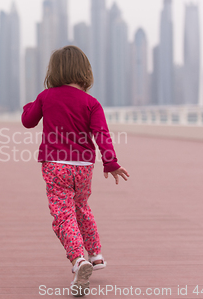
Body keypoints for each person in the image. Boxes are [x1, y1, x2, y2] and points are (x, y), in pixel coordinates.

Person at [21, 45, 130, 297]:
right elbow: (101, 134)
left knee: (63, 214)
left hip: (55, 165)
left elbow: (28, 121)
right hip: (83, 167)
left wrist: (30, 104)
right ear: (85, 72)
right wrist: (111, 163)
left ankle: (78, 260)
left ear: (54, 71)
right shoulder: (92, 103)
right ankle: (96, 255)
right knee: (81, 207)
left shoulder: (46, 97)